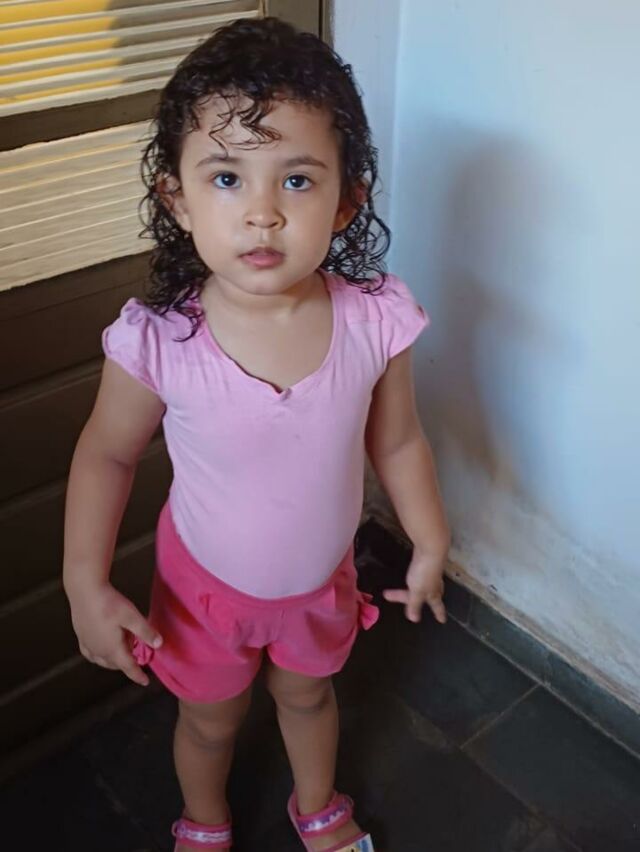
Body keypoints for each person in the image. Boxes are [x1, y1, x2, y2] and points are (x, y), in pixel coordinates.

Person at [63, 16, 450, 852]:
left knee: (309, 697)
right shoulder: (161, 341)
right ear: (178, 197)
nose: (264, 214)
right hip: (202, 593)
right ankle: (204, 820)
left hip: (320, 581)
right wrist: (83, 581)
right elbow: (107, 454)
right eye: (228, 177)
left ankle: (318, 805)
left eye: (297, 181)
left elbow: (397, 443)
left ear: (345, 200)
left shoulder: (375, 322)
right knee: (210, 720)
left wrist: (428, 540)